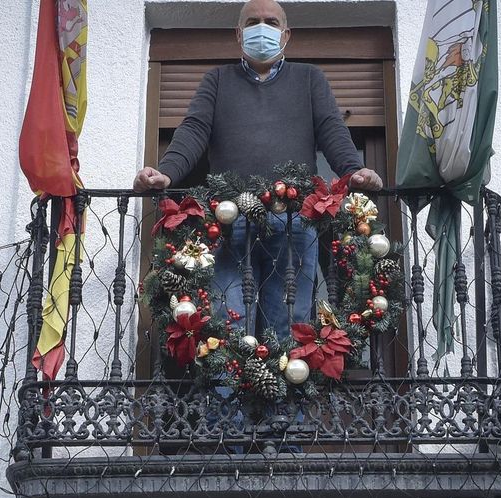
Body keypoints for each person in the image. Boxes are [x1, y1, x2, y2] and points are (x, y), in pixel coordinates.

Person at [133, 0, 384, 345]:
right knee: (226, 324)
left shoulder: (310, 79)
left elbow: (333, 131)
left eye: (270, 21)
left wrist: (354, 172)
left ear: (286, 34)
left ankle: (285, 402)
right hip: (228, 220)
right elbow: (192, 132)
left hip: (295, 221)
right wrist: (166, 174)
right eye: (252, 22)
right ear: (239, 34)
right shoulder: (217, 80)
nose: (261, 28)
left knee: (288, 325)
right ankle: (226, 402)